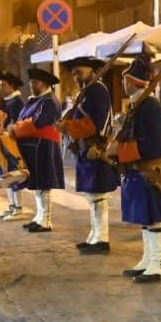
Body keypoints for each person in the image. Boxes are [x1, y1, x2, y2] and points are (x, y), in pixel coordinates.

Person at [112, 56, 161, 282]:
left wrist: (121, 151)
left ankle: (158, 264)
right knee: (145, 218)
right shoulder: (139, 105)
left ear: (132, 83)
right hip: (137, 169)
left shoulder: (148, 106)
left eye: (125, 80)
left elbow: (157, 144)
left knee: (154, 218)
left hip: (149, 170)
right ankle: (148, 259)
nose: (123, 84)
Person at [61, 56, 118, 254]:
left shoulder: (97, 90)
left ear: (92, 70)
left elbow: (98, 124)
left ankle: (102, 239)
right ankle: (94, 236)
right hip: (85, 148)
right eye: (74, 73)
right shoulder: (87, 90)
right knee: (92, 196)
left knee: (98, 197)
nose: (76, 76)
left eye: (80, 72)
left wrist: (67, 126)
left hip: (95, 149)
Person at [13, 67, 64, 233]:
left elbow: (37, 122)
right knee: (37, 185)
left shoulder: (49, 101)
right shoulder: (34, 100)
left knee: (44, 184)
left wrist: (17, 128)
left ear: (43, 84)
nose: (31, 85)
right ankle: (39, 217)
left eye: (34, 82)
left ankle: (46, 220)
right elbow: (24, 120)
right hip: (34, 147)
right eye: (30, 82)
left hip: (44, 147)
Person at [0, 72, 30, 219]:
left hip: (12, 143)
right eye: (0, 86)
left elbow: (16, 123)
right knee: (5, 175)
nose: (1, 88)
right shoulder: (5, 102)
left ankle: (18, 208)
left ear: (12, 86)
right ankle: (11, 207)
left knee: (14, 174)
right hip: (3, 142)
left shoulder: (17, 102)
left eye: (3, 85)